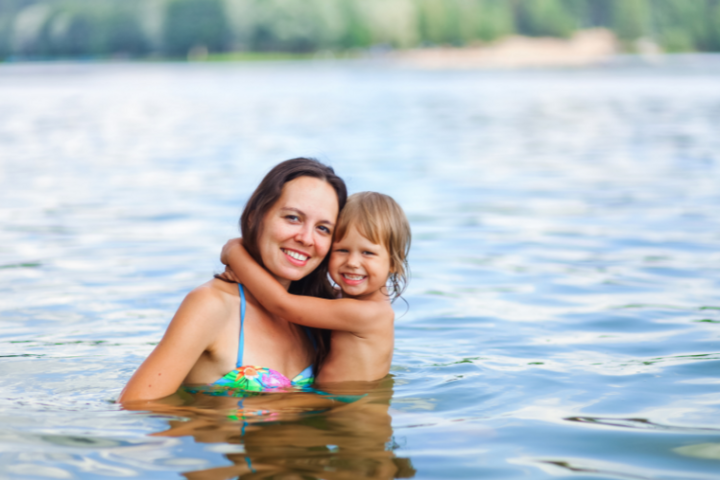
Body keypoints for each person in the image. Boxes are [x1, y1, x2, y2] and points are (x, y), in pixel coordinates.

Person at [118, 158, 347, 403]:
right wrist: (206, 420)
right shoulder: (212, 305)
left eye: (323, 228)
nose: (306, 238)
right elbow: (136, 405)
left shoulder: (318, 315)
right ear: (254, 217)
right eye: (292, 217)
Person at [220, 191, 411, 384]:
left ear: (394, 262)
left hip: (350, 408)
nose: (353, 262)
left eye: (368, 253)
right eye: (342, 250)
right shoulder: (351, 300)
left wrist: (234, 253)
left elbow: (282, 304)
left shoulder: (368, 313)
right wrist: (251, 276)